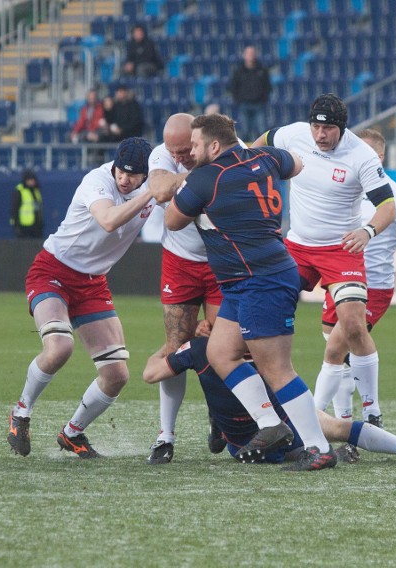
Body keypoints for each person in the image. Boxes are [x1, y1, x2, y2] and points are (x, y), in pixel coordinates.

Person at [166, 113, 336, 471]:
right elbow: (298, 163)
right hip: (245, 281)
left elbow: (172, 219)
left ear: (214, 145)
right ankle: (270, 424)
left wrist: (184, 183)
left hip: (262, 279)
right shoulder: (270, 157)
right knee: (220, 352)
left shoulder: (206, 177)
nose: (192, 151)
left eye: (195, 145)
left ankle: (319, 448)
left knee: (276, 369)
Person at [7, 137, 163, 459]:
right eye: (121, 170)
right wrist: (152, 190)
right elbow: (107, 221)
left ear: (146, 173)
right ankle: (21, 413)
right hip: (53, 270)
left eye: (133, 175)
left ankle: (72, 433)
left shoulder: (148, 185)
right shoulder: (98, 181)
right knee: (60, 346)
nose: (124, 179)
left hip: (92, 283)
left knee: (116, 375)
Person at [253, 93, 396, 429]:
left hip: (339, 250)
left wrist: (368, 231)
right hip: (296, 248)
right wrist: (251, 167)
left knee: (353, 325)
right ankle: (258, 409)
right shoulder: (293, 134)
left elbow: (387, 206)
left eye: (328, 128)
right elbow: (259, 145)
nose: (320, 134)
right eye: (317, 126)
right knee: (260, 318)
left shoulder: (361, 155)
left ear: (342, 129)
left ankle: (372, 410)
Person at [142, 323, 396, 465]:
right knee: (332, 425)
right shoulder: (260, 344)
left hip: (240, 447)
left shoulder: (196, 349)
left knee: (304, 421)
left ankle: (211, 428)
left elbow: (150, 374)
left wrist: (176, 340)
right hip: (279, 430)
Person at [319, 129, 396, 424]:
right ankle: (347, 426)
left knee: (336, 349)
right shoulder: (340, 187)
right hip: (337, 279)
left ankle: (329, 419)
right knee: (341, 356)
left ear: (378, 157)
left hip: (373, 286)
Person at [143, 113, 224, 465]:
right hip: (181, 261)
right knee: (176, 348)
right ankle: (166, 435)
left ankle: (220, 416)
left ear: (199, 139)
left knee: (223, 348)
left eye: (186, 150)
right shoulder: (163, 155)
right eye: (174, 151)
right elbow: (161, 189)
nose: (179, 157)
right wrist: (194, 174)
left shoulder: (218, 149)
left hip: (222, 260)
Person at [227, 45, 272, 141]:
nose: (250, 56)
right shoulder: (238, 71)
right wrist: (238, 99)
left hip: (258, 104)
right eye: (248, 53)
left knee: (261, 130)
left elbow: (267, 86)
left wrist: (263, 98)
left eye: (252, 53)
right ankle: (245, 153)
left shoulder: (262, 70)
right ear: (244, 55)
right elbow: (233, 87)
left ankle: (263, 151)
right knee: (245, 130)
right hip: (244, 104)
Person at [10, 169, 44, 239]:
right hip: (24, 226)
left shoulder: (36, 190)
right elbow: (14, 209)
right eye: (30, 180)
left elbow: (39, 207)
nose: (32, 182)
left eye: (33, 179)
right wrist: (16, 225)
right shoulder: (19, 191)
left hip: (36, 225)